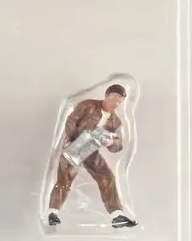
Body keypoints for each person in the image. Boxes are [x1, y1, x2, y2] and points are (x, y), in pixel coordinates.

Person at [48, 83, 138, 228]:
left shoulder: (115, 121)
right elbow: (71, 120)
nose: (116, 103)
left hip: (91, 151)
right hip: (74, 146)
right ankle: (52, 213)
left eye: (119, 100)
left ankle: (116, 215)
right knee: (64, 179)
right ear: (106, 95)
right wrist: (70, 140)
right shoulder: (88, 105)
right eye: (114, 98)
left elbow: (118, 145)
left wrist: (111, 142)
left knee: (107, 177)